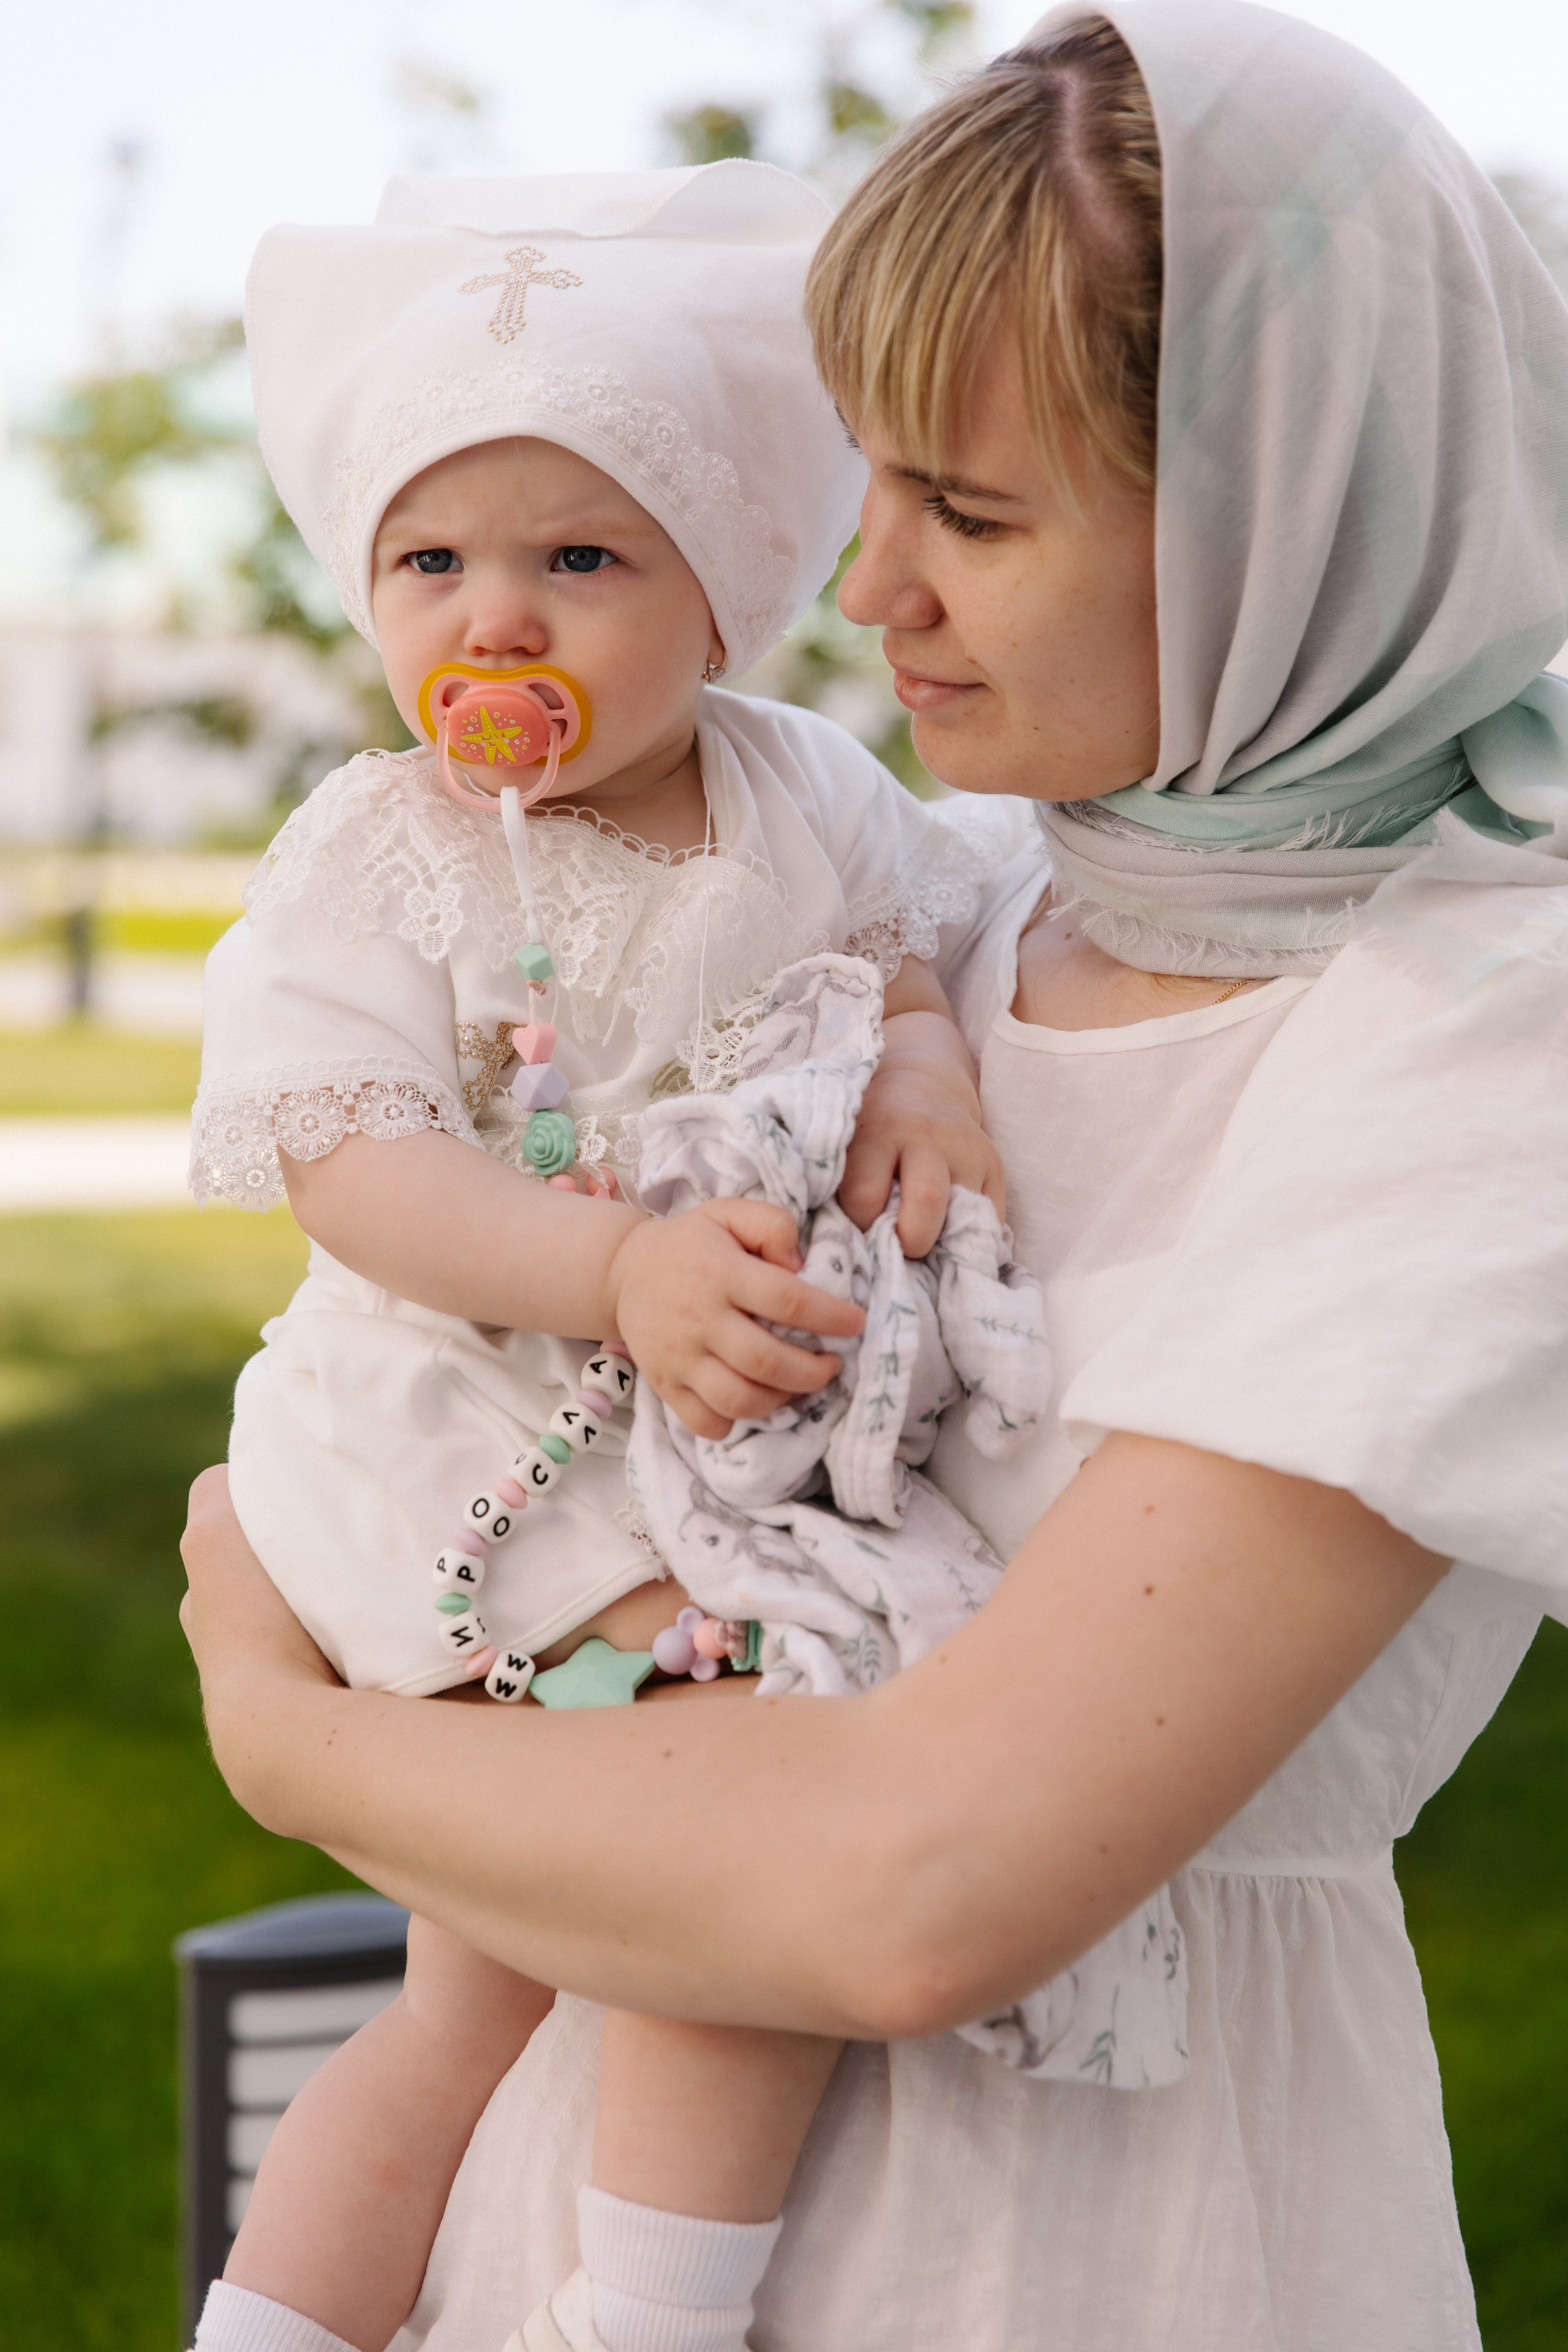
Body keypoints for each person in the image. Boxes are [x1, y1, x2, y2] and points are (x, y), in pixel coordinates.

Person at [180, 6, 1568, 2347]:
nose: (869, 589)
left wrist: (299, 1738)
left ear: (1288, 510)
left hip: (1092, 2255)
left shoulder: (1480, 1025)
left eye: (978, 512)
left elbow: (908, 1890)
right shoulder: (959, 891)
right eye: (878, 483)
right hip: (575, 2207)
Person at [189, 163, 1022, 2352]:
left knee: (471, 1998)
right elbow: (354, 1166)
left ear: (730, 590)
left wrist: (927, 1080)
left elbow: (899, 961)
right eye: (432, 558)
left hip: (672, 1436)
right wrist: (614, 1279)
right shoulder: (380, 852)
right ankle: (641, 2323)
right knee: (731, 1883)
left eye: (581, 556)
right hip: (457, 1439)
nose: (499, 616)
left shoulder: (804, 791)